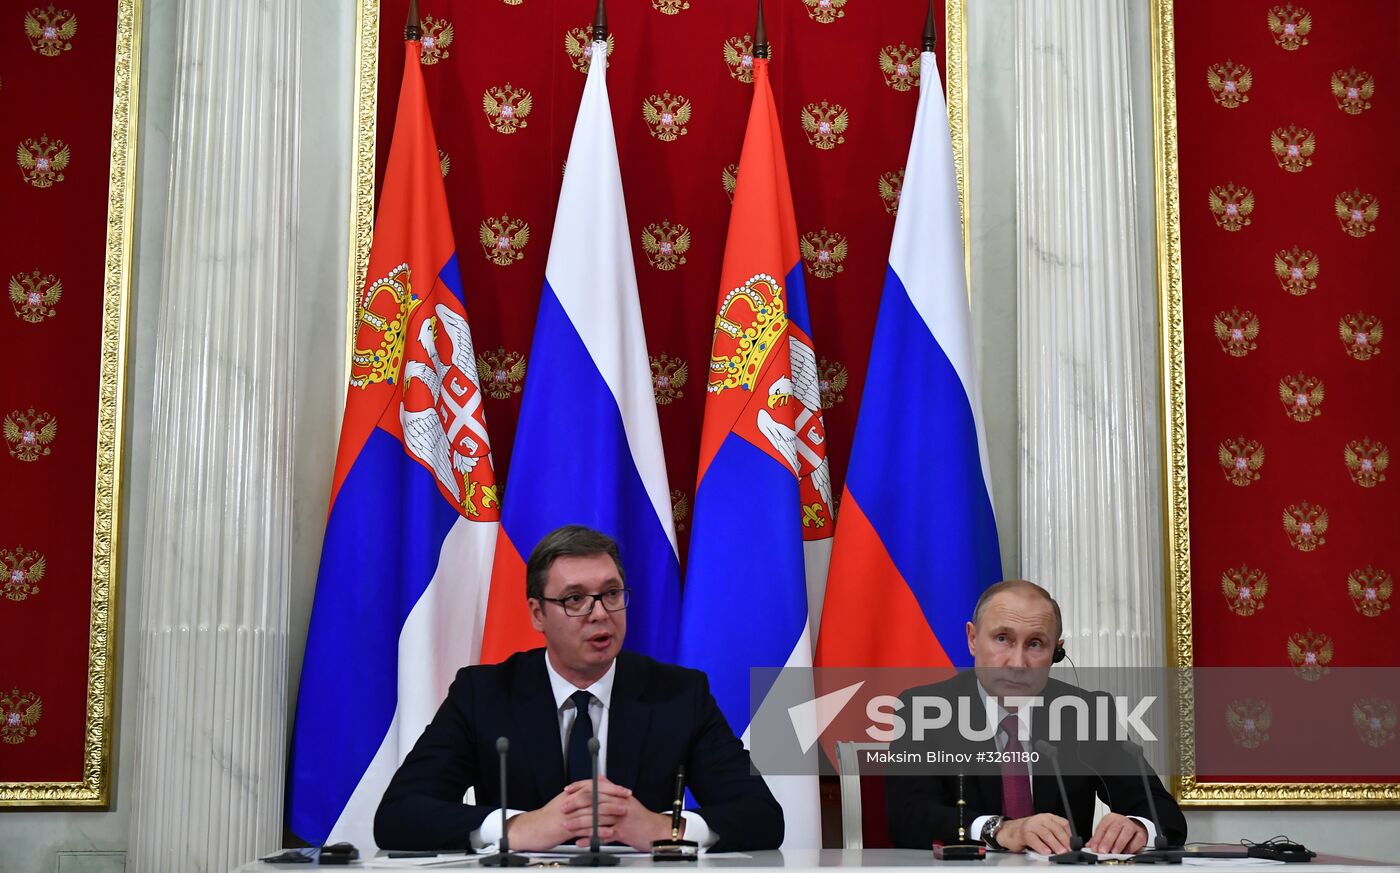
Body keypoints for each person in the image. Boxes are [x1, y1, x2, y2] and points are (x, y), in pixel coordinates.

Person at [374, 525, 783, 852]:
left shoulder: (678, 694)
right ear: (538, 613)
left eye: (611, 594)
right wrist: (516, 827)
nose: (600, 613)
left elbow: (763, 817)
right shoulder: (484, 693)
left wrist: (666, 828)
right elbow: (398, 815)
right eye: (575, 599)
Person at [885, 580, 1187, 854]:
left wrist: (1137, 826)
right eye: (1002, 638)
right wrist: (1000, 829)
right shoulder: (924, 709)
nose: (1018, 663)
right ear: (973, 638)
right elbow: (908, 816)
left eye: (1035, 644)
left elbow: (1164, 812)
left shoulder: (1085, 713)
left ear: (1056, 652)